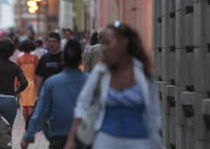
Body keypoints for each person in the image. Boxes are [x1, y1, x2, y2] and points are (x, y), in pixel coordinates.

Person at [64, 21, 162, 149]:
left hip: (139, 142)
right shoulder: (100, 72)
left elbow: (154, 113)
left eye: (108, 43)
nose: (104, 48)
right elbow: (82, 105)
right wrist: (71, 140)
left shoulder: (143, 73)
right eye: (102, 43)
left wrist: (157, 141)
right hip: (106, 141)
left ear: (124, 42)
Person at [21, 39, 88, 149]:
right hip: (85, 138)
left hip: (58, 137)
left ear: (63, 59)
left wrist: (28, 137)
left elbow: (40, 112)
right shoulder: (91, 81)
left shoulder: (52, 83)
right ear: (81, 60)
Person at [0, 38, 28, 128]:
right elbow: (24, 83)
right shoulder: (15, 66)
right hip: (10, 101)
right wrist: (16, 92)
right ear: (11, 52)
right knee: (7, 130)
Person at [17, 40, 39, 121]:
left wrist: (16, 84)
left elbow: (17, 73)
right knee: (31, 106)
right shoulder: (35, 58)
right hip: (33, 83)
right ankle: (31, 123)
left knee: (24, 106)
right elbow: (38, 72)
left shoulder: (20, 59)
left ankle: (26, 122)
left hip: (23, 84)